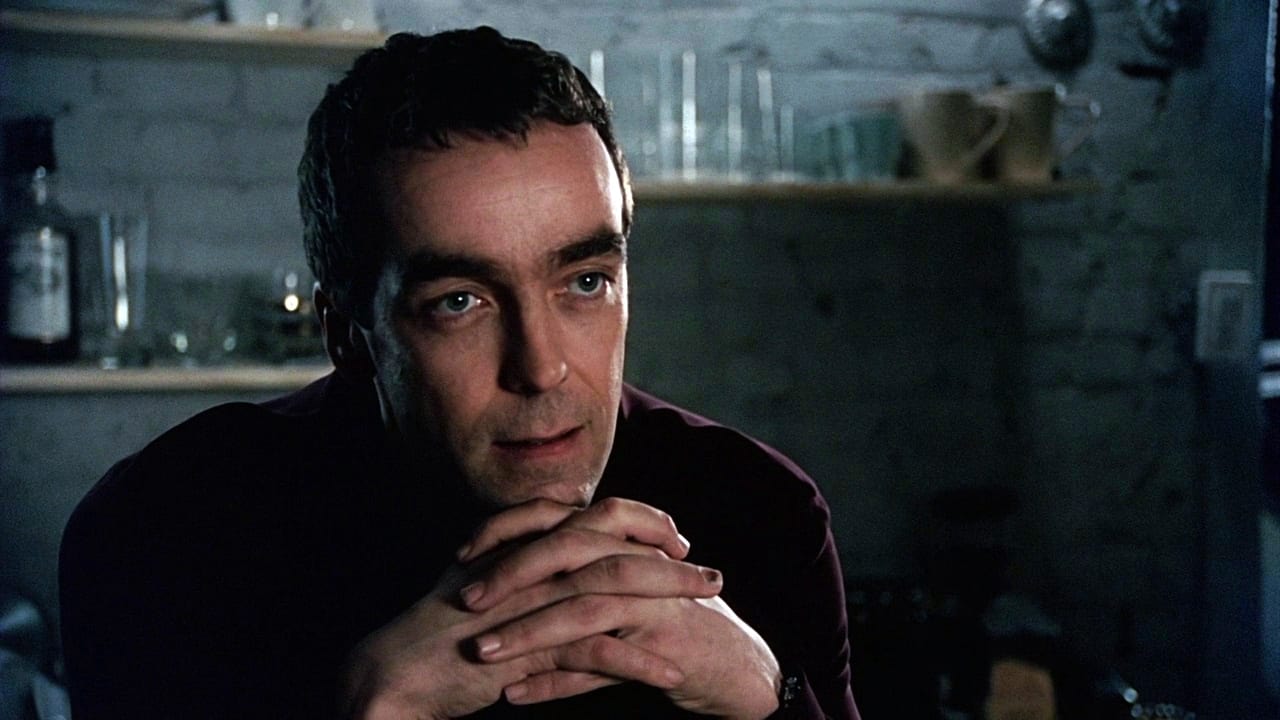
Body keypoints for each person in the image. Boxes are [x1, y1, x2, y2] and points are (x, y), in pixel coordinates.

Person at [59, 27, 859, 719]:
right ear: (349, 336)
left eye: (585, 282)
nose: (541, 369)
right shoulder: (167, 533)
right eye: (460, 302)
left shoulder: (760, 511)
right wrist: (366, 707)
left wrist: (773, 696)